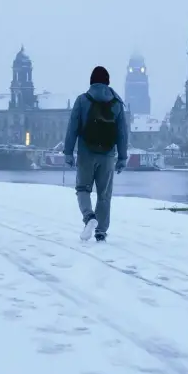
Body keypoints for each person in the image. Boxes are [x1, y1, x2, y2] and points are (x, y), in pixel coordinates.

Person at [63, 66, 129, 242]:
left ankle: (89, 217)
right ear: (108, 82)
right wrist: (122, 157)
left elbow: (72, 129)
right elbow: (122, 133)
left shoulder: (82, 100)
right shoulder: (116, 103)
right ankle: (101, 231)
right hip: (108, 155)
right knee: (104, 194)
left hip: (86, 153)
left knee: (82, 189)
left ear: (91, 81)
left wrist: (68, 153)